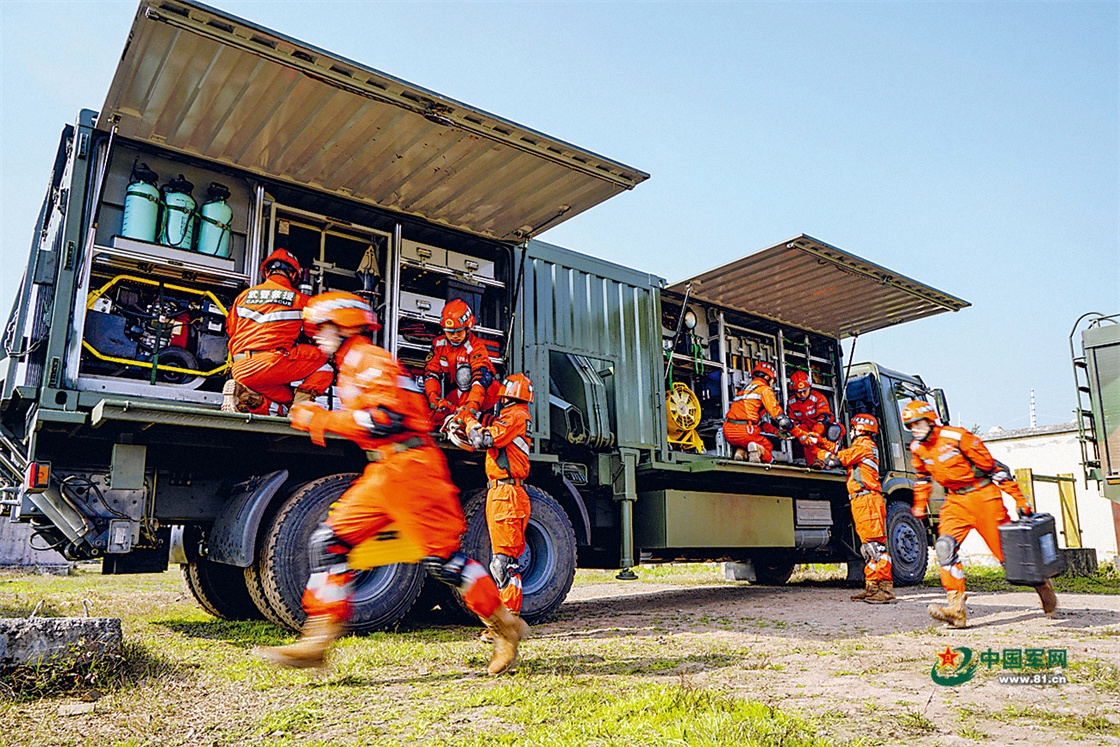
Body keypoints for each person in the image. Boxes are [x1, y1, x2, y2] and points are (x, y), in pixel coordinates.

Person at [255, 291, 527, 674]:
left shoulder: (369, 359)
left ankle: (504, 627)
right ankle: (317, 641)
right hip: (385, 469)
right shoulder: (351, 364)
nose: (315, 335)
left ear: (344, 325)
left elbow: (385, 420)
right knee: (328, 543)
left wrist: (321, 419)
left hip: (413, 469)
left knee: (443, 562)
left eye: (321, 327)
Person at [904, 400, 1056, 628]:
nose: (914, 429)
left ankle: (1042, 585)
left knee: (1011, 558)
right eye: (910, 426)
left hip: (983, 496)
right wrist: (919, 504)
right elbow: (923, 479)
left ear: (929, 419)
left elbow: (996, 469)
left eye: (917, 423)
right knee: (945, 547)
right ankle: (956, 609)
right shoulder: (917, 449)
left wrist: (1019, 499)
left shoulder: (957, 437)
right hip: (955, 501)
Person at [457, 373, 535, 617]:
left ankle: (508, 621)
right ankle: (506, 619)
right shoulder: (514, 416)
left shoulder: (515, 416)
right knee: (501, 561)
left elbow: (485, 438)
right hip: (501, 491)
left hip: (507, 493)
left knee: (504, 564)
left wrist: (469, 422)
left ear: (507, 394)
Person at [222, 248, 332, 413]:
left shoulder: (243, 296)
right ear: (293, 275)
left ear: (266, 272)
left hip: (240, 368)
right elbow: (316, 334)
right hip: (271, 363)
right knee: (325, 363)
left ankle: (245, 393)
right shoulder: (301, 300)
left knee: (286, 399)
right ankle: (300, 410)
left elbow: (231, 330)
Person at [827, 414, 894, 603]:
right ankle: (872, 588)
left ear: (859, 429)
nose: (851, 431)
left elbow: (840, 458)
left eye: (853, 428)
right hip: (862, 500)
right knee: (867, 548)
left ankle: (886, 589)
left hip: (867, 500)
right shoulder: (864, 446)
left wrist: (825, 446)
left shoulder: (863, 446)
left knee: (876, 547)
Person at [424, 299, 498, 425]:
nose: (454, 336)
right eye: (450, 332)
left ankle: (479, 419)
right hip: (458, 393)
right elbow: (431, 372)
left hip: (482, 394)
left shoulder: (476, 347)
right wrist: (433, 395)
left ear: (467, 329)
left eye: (458, 332)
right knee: (435, 416)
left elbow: (480, 379)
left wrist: (472, 405)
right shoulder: (439, 344)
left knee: (465, 377)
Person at [723, 361, 795, 463]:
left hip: (729, 431)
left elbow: (759, 423)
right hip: (746, 431)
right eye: (772, 381)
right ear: (767, 377)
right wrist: (792, 428)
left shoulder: (743, 390)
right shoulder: (764, 389)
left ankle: (740, 453)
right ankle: (758, 450)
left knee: (744, 443)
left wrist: (776, 432)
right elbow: (779, 417)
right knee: (767, 446)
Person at [787, 371, 844, 468]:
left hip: (821, 430)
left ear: (809, 387)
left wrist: (816, 434)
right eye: (799, 392)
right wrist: (803, 434)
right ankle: (817, 461)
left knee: (835, 429)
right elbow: (794, 421)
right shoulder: (791, 402)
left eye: (805, 390)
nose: (802, 394)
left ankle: (832, 457)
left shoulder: (818, 398)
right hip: (805, 431)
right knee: (806, 440)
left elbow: (824, 418)